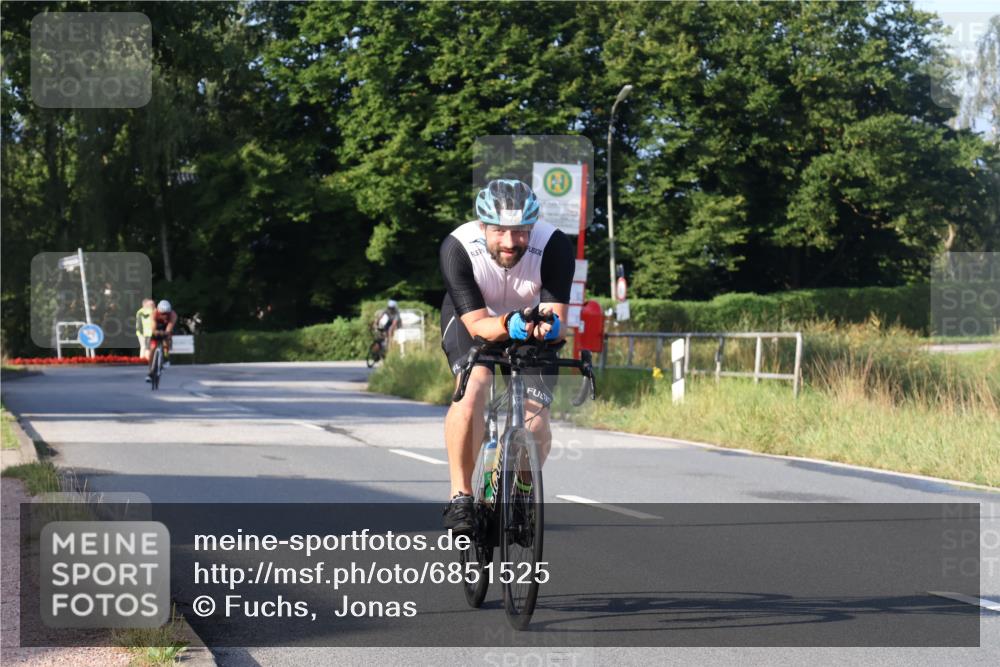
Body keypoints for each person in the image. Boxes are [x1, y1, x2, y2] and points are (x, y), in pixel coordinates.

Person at [438, 179, 574, 534]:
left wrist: (548, 327)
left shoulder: (555, 245)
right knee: (475, 387)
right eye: (499, 231)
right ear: (482, 226)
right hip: (475, 321)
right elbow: (480, 326)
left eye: (520, 232)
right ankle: (461, 497)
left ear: (532, 227)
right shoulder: (458, 247)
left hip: (528, 324)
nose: (510, 242)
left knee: (537, 419)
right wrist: (509, 323)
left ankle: (522, 492)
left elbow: (556, 319)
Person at [148, 300, 178, 379]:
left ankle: (166, 357)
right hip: (157, 327)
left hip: (166, 327)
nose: (164, 315)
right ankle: (150, 371)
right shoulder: (154, 314)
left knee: (167, 339)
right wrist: (155, 332)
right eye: (162, 314)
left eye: (166, 314)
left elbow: (169, 327)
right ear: (158, 310)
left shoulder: (173, 315)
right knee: (152, 349)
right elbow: (153, 328)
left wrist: (167, 333)